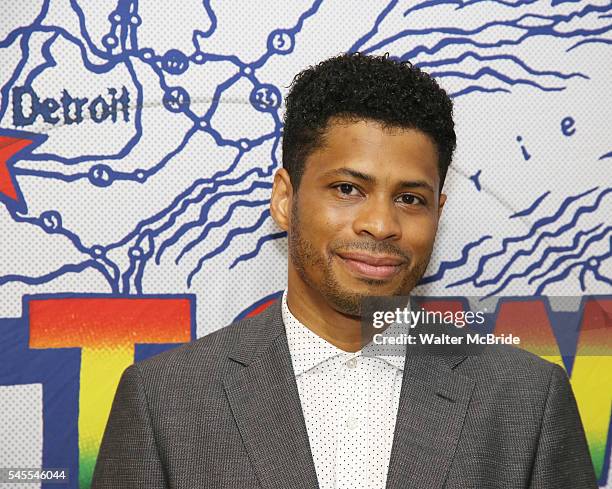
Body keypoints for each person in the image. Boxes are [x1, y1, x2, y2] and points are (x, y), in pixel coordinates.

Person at [91, 52, 598, 489]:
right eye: (347, 189)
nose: (380, 224)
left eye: (409, 198)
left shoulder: (529, 402)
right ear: (286, 199)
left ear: (438, 213)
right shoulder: (165, 400)